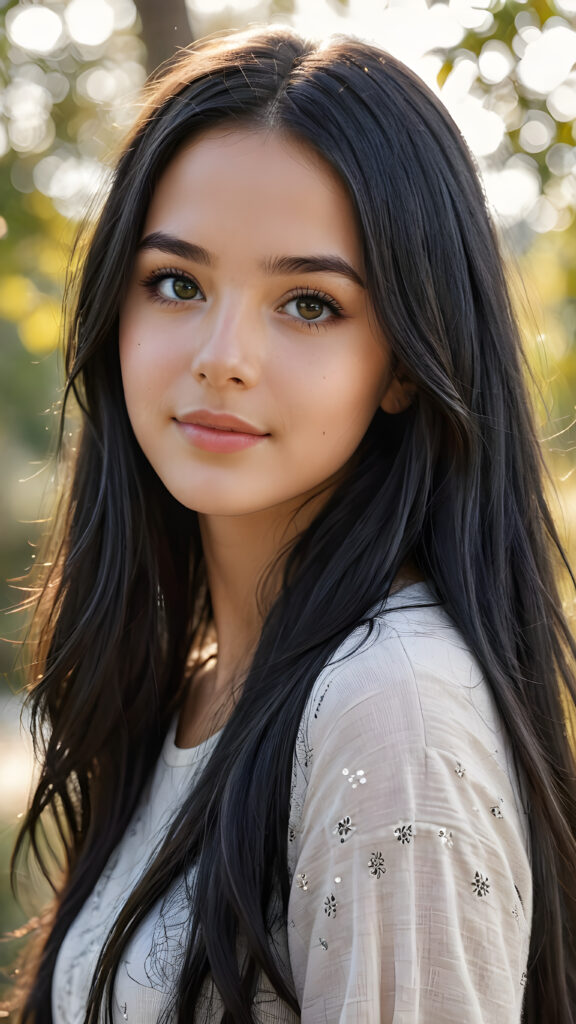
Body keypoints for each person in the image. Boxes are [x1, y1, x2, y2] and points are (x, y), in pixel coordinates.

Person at [10, 24, 576, 1024]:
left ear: (405, 361)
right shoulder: (195, 681)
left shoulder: (386, 710)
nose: (223, 355)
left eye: (309, 303)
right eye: (176, 283)